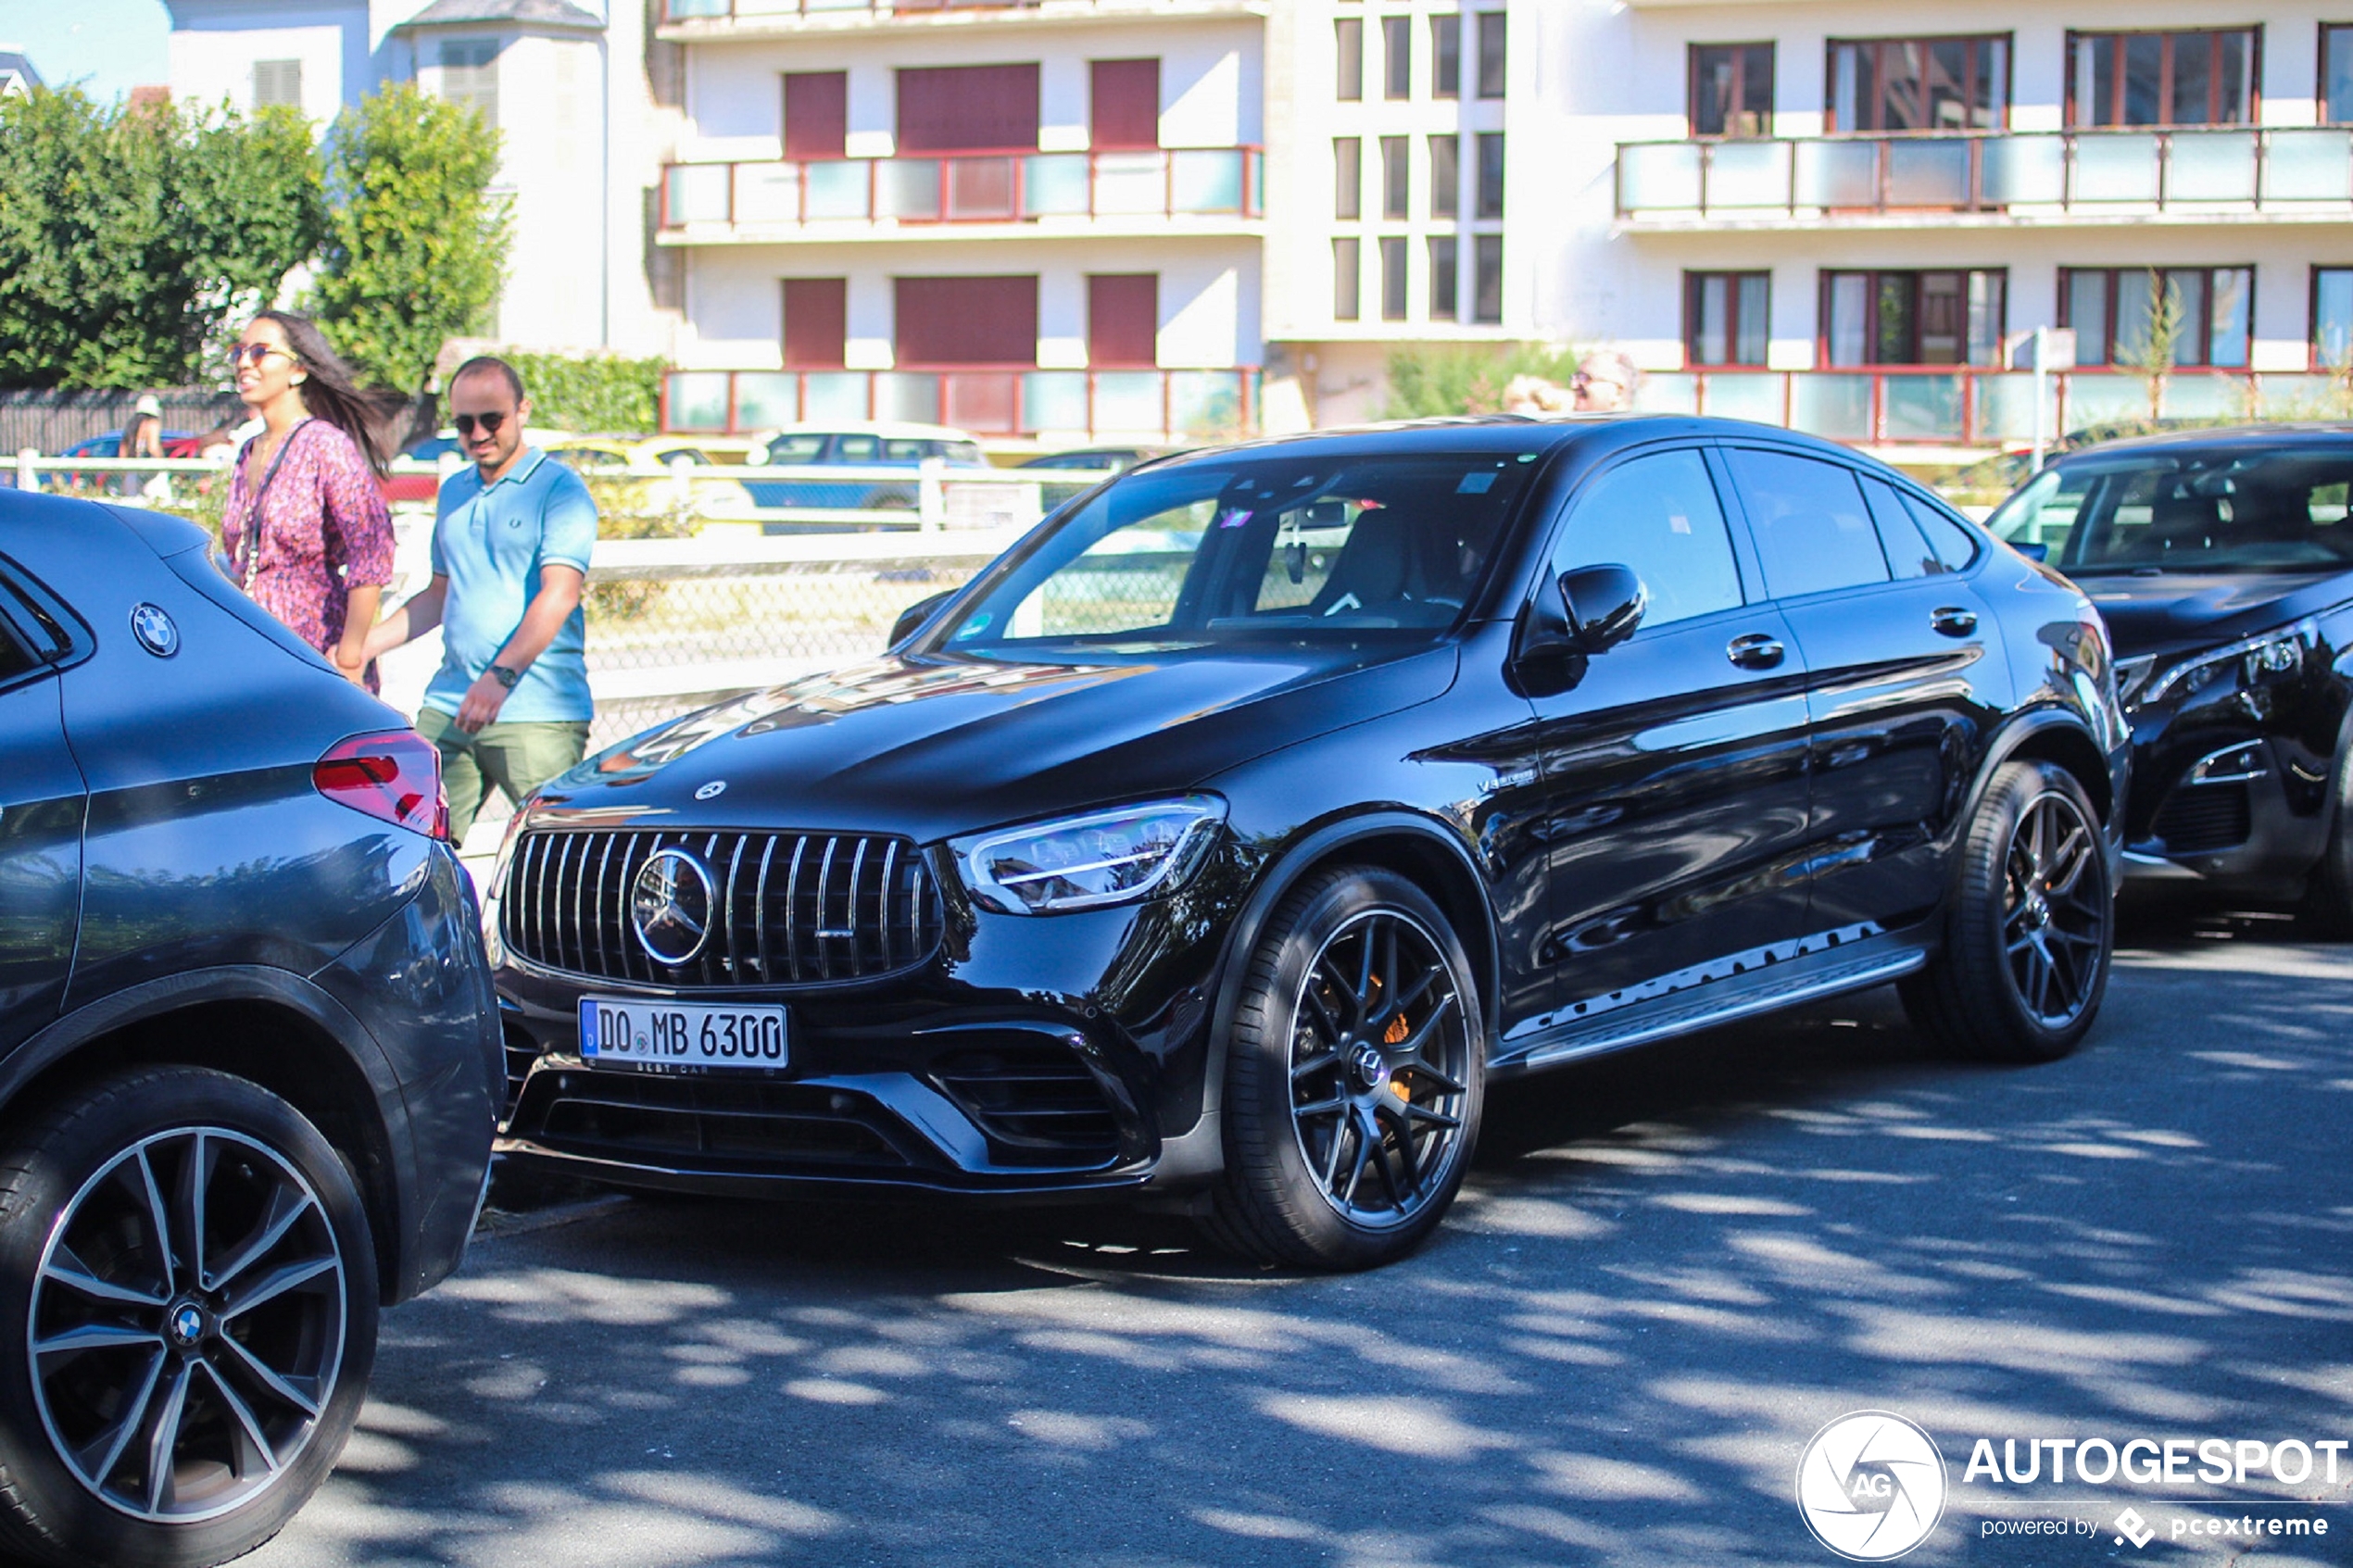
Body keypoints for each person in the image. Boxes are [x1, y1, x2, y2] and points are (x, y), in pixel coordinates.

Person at [360, 357, 596, 843]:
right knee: (410, 844)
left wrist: (498, 679)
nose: (479, 432)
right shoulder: (454, 492)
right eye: (465, 422)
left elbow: (560, 594)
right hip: (450, 702)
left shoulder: (559, 488)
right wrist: (361, 646)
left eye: (493, 418)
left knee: (558, 856)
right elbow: (438, 594)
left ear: (522, 410)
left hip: (536, 710)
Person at [218, 312, 397, 690]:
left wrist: (351, 654)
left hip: (316, 653)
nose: (244, 362)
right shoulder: (249, 452)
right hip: (252, 653)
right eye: (239, 351)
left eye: (261, 351)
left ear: (298, 370)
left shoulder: (324, 445)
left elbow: (373, 552)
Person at [123, 393, 170, 504]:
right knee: (160, 503)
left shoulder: (132, 425)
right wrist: (163, 462)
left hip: (133, 468)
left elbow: (123, 449)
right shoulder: (152, 423)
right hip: (151, 469)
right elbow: (153, 447)